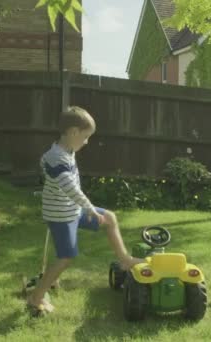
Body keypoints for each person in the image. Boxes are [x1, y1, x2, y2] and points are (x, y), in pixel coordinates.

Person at [26, 106, 143, 315]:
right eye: (85, 137)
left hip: (72, 209)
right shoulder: (56, 158)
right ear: (72, 132)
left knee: (109, 218)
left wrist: (87, 209)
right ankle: (35, 298)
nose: (87, 142)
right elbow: (71, 189)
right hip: (61, 215)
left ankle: (125, 261)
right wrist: (90, 209)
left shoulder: (67, 151)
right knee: (65, 258)